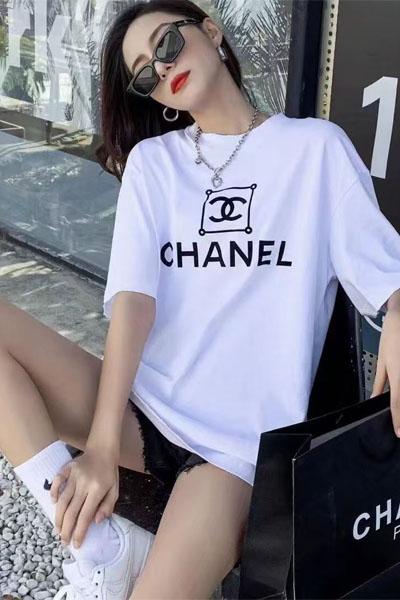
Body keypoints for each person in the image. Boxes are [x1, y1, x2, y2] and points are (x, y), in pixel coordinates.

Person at [1, 0, 400, 599]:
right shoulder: (154, 163)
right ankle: (98, 545)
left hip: (236, 449)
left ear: (211, 33)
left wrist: (397, 309)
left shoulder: (314, 149)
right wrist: (102, 445)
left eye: (166, 43)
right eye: (144, 72)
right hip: (146, 410)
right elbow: (134, 304)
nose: (161, 67)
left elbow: (384, 268)